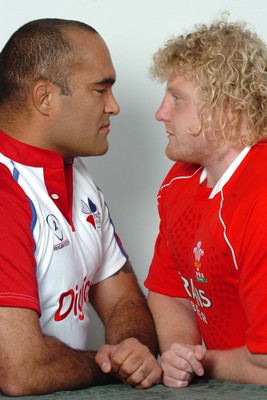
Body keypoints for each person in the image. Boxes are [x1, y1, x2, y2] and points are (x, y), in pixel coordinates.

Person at [0, 18, 162, 396]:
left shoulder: (79, 175)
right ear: (45, 98)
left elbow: (122, 297)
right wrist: (111, 365)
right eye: (101, 89)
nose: (115, 106)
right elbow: (20, 371)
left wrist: (132, 347)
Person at [144, 18, 267, 388]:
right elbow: (170, 292)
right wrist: (182, 355)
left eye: (177, 98)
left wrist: (202, 363)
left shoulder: (260, 202)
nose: (161, 112)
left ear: (226, 108)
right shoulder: (180, 180)